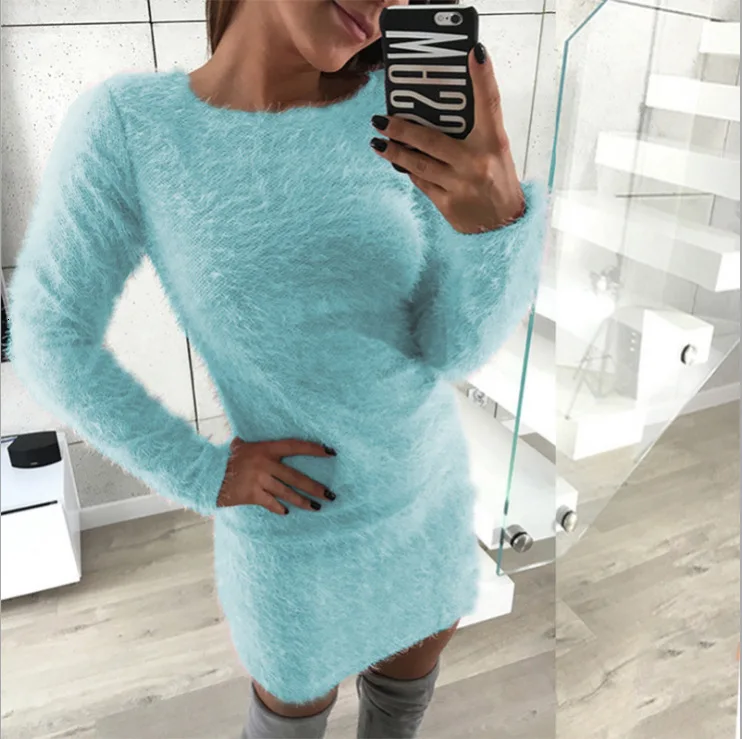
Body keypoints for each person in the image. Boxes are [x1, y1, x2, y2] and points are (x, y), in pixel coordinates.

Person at [8, 0, 546, 737]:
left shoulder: (396, 112)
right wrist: (200, 472)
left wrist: (497, 226)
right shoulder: (133, 127)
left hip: (425, 495)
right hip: (291, 531)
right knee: (286, 724)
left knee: (399, 713)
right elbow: (47, 335)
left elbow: (449, 349)